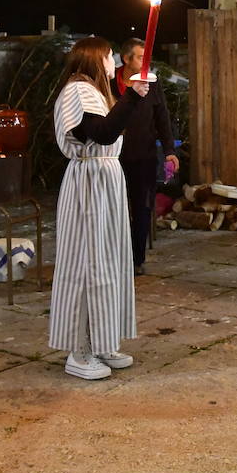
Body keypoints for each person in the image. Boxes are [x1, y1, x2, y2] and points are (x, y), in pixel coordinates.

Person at [49, 37, 153, 380]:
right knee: (88, 263)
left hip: (104, 180)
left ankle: (102, 340)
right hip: (89, 184)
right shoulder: (77, 91)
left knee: (110, 261)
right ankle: (79, 352)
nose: (113, 64)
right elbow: (102, 133)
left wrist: (131, 98)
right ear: (95, 60)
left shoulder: (94, 92)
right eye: (110, 57)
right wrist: (131, 96)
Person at [116, 37, 178, 276]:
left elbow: (162, 117)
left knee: (142, 207)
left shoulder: (152, 83)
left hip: (144, 155)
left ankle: (136, 259)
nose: (146, 62)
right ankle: (115, 255)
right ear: (126, 58)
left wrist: (170, 151)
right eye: (141, 57)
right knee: (116, 207)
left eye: (147, 58)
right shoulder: (112, 82)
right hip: (115, 158)